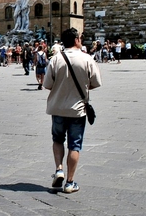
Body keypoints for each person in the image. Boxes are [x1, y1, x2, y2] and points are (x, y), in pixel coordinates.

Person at [43, 28, 102, 194]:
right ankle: (69, 183)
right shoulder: (87, 59)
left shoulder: (56, 59)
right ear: (76, 40)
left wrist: (61, 88)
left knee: (57, 140)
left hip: (57, 108)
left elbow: (47, 85)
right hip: (77, 109)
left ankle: (59, 169)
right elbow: (95, 83)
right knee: (74, 145)